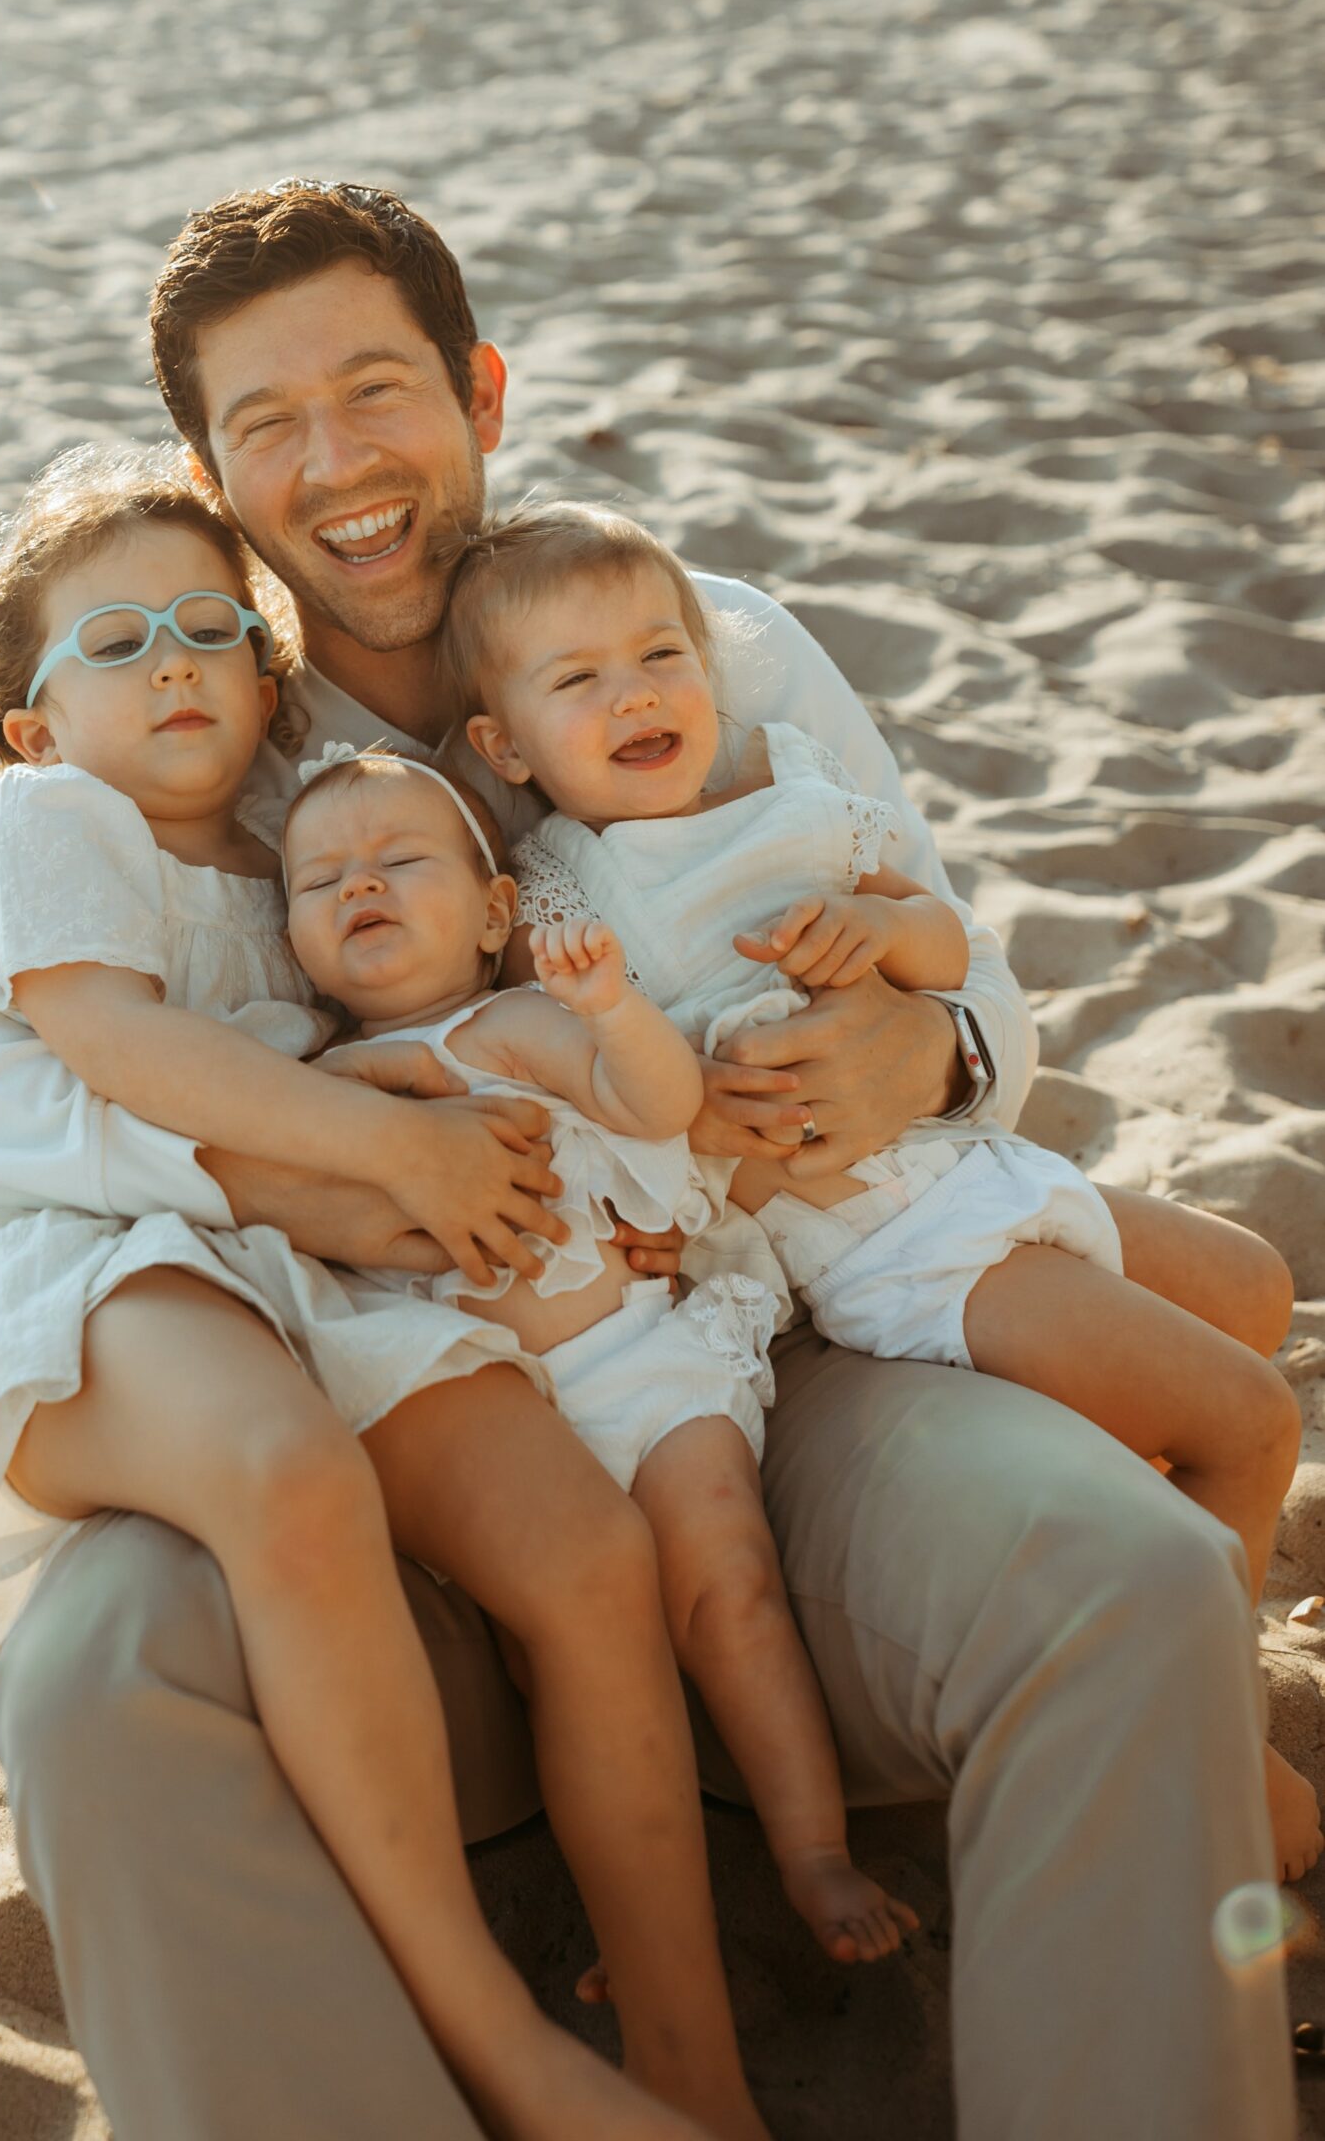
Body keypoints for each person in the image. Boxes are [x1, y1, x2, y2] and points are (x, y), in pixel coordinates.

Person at [0, 179, 1299, 2141]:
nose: (339, 462)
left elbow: (948, 959)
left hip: (760, 1373)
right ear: (207, 467)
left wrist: (936, 1041)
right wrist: (280, 1166)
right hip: (405, 1469)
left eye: (379, 387)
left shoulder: (693, 643)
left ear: (477, 389)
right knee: (86, 1687)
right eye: (267, 422)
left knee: (1135, 1568)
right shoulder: (191, 721)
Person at [0, 444, 713, 2141]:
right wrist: (404, 1161)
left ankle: (690, 2068)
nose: (170, 663)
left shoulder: (311, 832)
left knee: (588, 1556)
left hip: (306, 1276)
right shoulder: (53, 822)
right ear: (30, 724)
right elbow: (115, 1047)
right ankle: (496, 2037)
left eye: (209, 626)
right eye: (115, 641)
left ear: (268, 667)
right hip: (88, 1273)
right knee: (287, 1477)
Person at [441, 496, 1312, 1878]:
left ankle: (1165, 1604)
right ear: (503, 746)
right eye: (577, 681)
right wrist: (688, 1112)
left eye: (659, 654)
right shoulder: (559, 895)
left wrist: (881, 933)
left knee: (1252, 1289)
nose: (635, 695)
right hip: (882, 1238)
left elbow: (943, 940)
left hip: (965, 1162)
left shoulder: (788, 783)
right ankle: (1220, 1741)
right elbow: (596, 1118)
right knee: (1249, 1422)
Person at [283, 743, 916, 1980]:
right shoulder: (314, 1086)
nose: (363, 884)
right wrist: (364, 1090)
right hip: (507, 1433)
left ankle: (812, 1847)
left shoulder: (513, 1024)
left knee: (725, 1584)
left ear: (494, 917)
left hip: (640, 1361)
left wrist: (612, 1009)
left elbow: (654, 1104)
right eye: (323, 879)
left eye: (403, 860)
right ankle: (640, 1897)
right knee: (557, 1664)